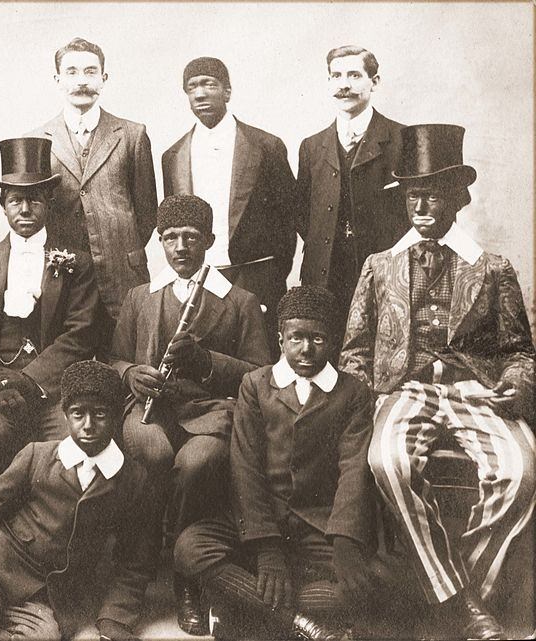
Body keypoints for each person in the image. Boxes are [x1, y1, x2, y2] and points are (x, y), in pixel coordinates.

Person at [341, 124, 535, 640]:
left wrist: (516, 384)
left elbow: (519, 351)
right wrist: (359, 403)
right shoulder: (379, 266)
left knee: (523, 473)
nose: (421, 203)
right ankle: (464, 604)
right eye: (411, 193)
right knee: (387, 461)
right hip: (403, 390)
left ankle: (460, 591)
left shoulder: (492, 269)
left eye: (433, 192)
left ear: (457, 198)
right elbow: (355, 351)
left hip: (476, 391)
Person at [174, 286, 394, 640]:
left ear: (334, 341)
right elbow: (244, 465)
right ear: (280, 339)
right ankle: (300, 623)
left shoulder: (353, 392)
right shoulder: (256, 385)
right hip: (264, 518)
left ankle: (250, 610)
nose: (307, 349)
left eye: (318, 338)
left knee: (378, 581)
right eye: (297, 338)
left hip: (319, 521)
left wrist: (344, 542)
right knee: (189, 547)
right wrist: (266, 547)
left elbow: (354, 468)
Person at [108, 194, 272, 629]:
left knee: (197, 462)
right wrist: (130, 375)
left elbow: (261, 375)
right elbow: (115, 358)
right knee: (153, 454)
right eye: (170, 238)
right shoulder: (141, 296)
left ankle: (186, 577)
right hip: (150, 409)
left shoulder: (240, 300)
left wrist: (207, 362)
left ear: (211, 241)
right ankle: (133, 575)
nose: (180, 247)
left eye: (191, 238)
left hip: (211, 413)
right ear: (159, 242)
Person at [0, 360, 155, 641]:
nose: (88, 425)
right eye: (78, 414)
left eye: (100, 414)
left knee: (43, 637)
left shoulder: (132, 478)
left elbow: (135, 560)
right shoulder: (38, 456)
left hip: (44, 594)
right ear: (64, 416)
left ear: (117, 416)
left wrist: (115, 618)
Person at [0, 137, 100, 492]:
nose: (24, 209)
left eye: (34, 200)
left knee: (70, 443)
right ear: (2, 205)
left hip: (51, 392)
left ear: (48, 203)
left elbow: (79, 333)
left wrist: (32, 380)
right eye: (15, 200)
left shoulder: (75, 261)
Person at [28, 37, 157, 345]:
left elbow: (147, 211)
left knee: (127, 361)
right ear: (57, 79)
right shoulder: (37, 140)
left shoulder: (131, 134)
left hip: (124, 275)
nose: (81, 81)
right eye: (71, 72)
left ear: (104, 78)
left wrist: (118, 246)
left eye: (90, 71)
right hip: (65, 278)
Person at [162, 57, 297, 345]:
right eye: (192, 87)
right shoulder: (173, 156)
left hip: (257, 275)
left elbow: (289, 221)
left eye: (209, 84)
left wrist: (269, 275)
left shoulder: (266, 146)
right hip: (200, 277)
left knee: (259, 358)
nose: (200, 94)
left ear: (227, 92)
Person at [297, 45, 407, 330]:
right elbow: (301, 214)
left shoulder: (401, 139)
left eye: (355, 75)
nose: (344, 85)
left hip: (384, 275)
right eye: (336, 76)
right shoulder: (311, 147)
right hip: (324, 275)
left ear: (375, 82)